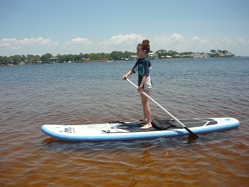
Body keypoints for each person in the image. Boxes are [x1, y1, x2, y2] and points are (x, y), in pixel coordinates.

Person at [123, 39, 153, 129]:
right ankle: (145, 119)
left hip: (146, 84)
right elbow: (133, 70)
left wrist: (140, 86)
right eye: (136, 50)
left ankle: (149, 123)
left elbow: (146, 74)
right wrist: (126, 75)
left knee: (146, 103)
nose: (137, 52)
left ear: (144, 51)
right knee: (143, 103)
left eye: (138, 50)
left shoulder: (146, 61)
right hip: (141, 84)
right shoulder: (139, 60)